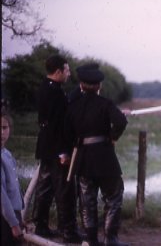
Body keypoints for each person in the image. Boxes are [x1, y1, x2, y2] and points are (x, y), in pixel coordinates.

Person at [62, 63, 129, 246]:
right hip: (106, 158)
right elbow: (121, 122)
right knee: (114, 197)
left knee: (87, 202)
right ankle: (110, 240)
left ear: (81, 85)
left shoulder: (73, 107)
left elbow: (67, 133)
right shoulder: (106, 104)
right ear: (99, 86)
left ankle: (91, 241)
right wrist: (113, 137)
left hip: (83, 160)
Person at [34, 54, 82, 243]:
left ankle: (41, 226)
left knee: (45, 188)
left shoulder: (47, 87)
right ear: (58, 71)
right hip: (56, 148)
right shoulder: (54, 92)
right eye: (67, 70)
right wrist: (63, 152)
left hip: (46, 146)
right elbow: (58, 125)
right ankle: (68, 232)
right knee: (65, 190)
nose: (69, 74)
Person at [1, 111, 24, 246]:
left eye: (4, 128)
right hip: (4, 219)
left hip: (13, 215)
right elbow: (2, 197)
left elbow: (14, 187)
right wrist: (14, 224)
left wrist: (19, 218)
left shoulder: (7, 154)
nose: (1, 133)